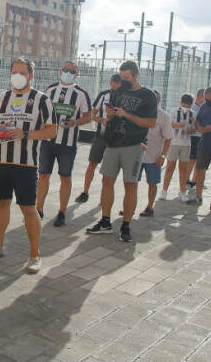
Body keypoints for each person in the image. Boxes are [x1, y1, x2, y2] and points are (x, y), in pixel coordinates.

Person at [0, 58, 57, 273]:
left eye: (22, 72)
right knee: (1, 204)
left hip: (26, 165)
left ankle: (34, 255)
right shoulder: (1, 98)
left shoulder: (41, 100)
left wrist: (26, 134)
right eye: (14, 71)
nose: (18, 75)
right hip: (0, 161)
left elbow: (51, 131)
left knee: (28, 209)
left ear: (31, 75)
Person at [86, 61, 157, 242]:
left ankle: (126, 225)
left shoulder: (147, 95)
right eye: (122, 77)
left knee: (130, 185)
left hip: (133, 145)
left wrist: (126, 114)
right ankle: (105, 220)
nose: (123, 81)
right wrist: (110, 115)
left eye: (127, 78)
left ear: (135, 76)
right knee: (106, 181)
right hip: (112, 143)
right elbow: (110, 116)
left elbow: (150, 123)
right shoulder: (118, 92)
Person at [36, 60, 91, 226]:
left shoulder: (81, 94)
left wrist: (74, 123)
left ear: (77, 74)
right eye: (66, 70)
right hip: (48, 140)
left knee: (65, 177)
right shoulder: (50, 89)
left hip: (68, 144)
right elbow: (42, 111)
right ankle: (38, 209)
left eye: (72, 71)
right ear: (60, 71)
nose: (68, 72)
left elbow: (88, 116)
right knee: (43, 175)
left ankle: (61, 212)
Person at [76, 74, 121, 203]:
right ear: (110, 83)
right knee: (92, 164)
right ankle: (85, 192)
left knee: (109, 170)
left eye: (118, 83)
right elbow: (92, 115)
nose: (115, 85)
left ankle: (104, 196)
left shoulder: (124, 98)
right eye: (114, 82)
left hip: (115, 140)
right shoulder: (103, 95)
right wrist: (101, 120)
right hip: (100, 137)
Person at [139, 90, 173, 217]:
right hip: (136, 154)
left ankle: (149, 207)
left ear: (158, 101)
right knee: (131, 181)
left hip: (154, 156)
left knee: (152, 182)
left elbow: (168, 138)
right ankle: (129, 206)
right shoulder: (139, 112)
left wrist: (163, 156)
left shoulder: (164, 116)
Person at [161, 93, 194, 202]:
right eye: (184, 104)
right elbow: (168, 126)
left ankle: (182, 192)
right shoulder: (174, 111)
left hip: (186, 144)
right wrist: (176, 125)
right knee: (170, 167)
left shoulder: (193, 114)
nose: (186, 106)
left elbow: (194, 128)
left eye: (188, 105)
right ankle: (164, 191)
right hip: (174, 142)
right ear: (180, 103)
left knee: (183, 169)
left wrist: (190, 130)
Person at [187, 88, 205, 189]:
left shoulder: (205, 106)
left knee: (199, 160)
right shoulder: (192, 107)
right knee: (192, 159)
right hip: (194, 136)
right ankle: (186, 180)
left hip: (202, 136)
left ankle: (195, 181)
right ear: (201, 96)